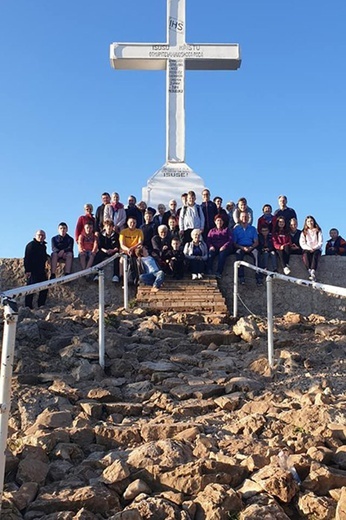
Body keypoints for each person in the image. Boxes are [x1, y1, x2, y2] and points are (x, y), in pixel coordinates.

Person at [24, 230, 49, 309]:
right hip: (33, 271)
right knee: (30, 289)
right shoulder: (31, 245)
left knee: (45, 288)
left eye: (42, 235)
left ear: (45, 237)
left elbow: (43, 255)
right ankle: (28, 306)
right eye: (39, 235)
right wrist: (27, 270)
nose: (41, 237)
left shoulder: (43, 246)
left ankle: (41, 305)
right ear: (35, 236)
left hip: (41, 271)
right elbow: (27, 258)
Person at [232, 211, 258, 285]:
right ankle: (241, 277)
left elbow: (256, 242)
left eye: (246, 217)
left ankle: (258, 276)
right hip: (240, 247)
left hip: (251, 247)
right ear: (239, 218)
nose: (244, 218)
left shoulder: (252, 229)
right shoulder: (236, 229)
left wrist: (251, 247)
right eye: (243, 217)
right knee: (238, 254)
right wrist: (242, 248)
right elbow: (234, 243)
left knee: (257, 254)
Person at [119, 216, 144, 281]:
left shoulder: (139, 231)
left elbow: (140, 242)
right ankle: (122, 277)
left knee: (139, 260)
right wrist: (128, 249)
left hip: (135, 250)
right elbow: (122, 244)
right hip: (126, 250)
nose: (132, 224)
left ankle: (138, 277)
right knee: (121, 260)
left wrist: (132, 248)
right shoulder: (123, 232)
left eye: (134, 223)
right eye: (131, 222)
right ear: (127, 223)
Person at [299, 216, 323, 281]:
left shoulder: (318, 231)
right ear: (306, 223)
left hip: (316, 248)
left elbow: (320, 242)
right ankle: (309, 270)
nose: (310, 223)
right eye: (308, 221)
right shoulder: (304, 232)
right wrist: (309, 248)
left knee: (315, 255)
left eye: (311, 221)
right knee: (306, 255)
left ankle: (313, 271)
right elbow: (302, 243)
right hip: (307, 248)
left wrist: (314, 248)